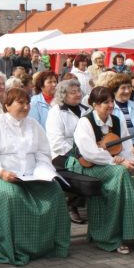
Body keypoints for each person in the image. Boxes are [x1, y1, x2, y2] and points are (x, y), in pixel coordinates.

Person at [0, 88, 70, 265]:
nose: (26, 107)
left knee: (55, 192)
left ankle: (46, 244)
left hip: (31, 175)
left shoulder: (34, 125)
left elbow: (43, 154)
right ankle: (15, 247)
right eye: (21, 103)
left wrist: (43, 172)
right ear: (7, 105)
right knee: (12, 196)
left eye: (27, 103)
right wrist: (1, 172)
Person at [67, 87, 134, 254]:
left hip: (111, 167)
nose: (110, 105)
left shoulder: (116, 120)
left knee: (119, 180)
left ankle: (111, 236)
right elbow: (89, 152)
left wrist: (128, 159)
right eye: (105, 102)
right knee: (120, 174)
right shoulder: (85, 122)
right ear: (94, 104)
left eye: (111, 101)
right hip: (86, 167)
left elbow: (125, 147)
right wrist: (115, 161)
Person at [46, 79, 90, 224]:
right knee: (81, 167)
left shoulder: (86, 110)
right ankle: (73, 204)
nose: (78, 94)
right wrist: (76, 155)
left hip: (84, 151)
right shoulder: (56, 112)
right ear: (63, 95)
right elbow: (57, 142)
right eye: (73, 92)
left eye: (78, 91)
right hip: (61, 154)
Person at [108, 74, 134, 148]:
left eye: (129, 87)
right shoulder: (109, 109)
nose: (127, 91)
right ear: (115, 91)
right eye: (123, 88)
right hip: (117, 148)